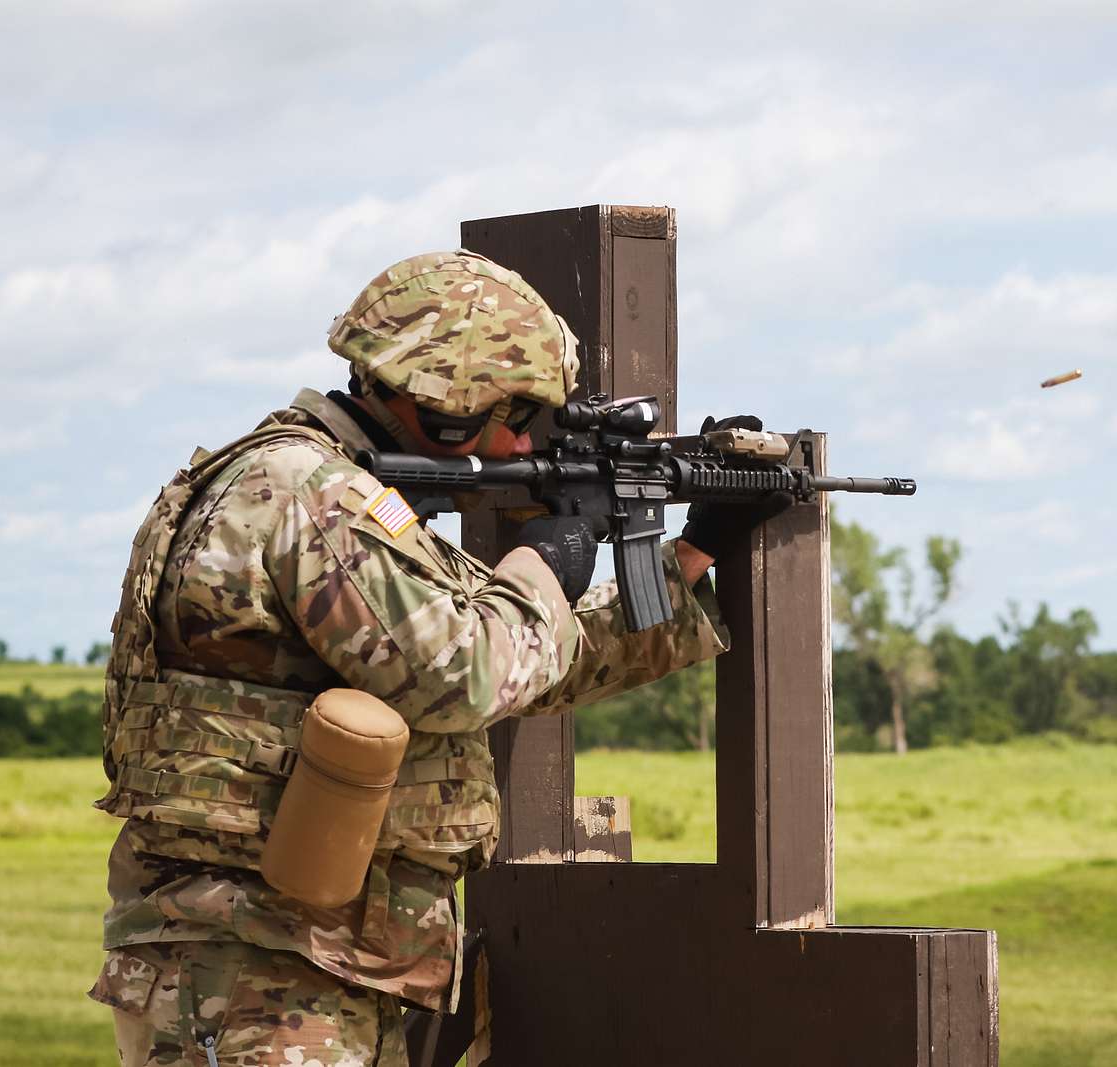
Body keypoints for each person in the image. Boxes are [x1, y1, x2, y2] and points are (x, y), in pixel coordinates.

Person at [88, 250, 780, 1065]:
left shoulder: (326, 492)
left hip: (288, 960)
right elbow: (466, 673)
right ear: (450, 408)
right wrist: (547, 559)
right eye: (516, 411)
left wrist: (692, 554)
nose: (525, 439)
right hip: (260, 972)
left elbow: (521, 652)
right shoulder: (311, 494)